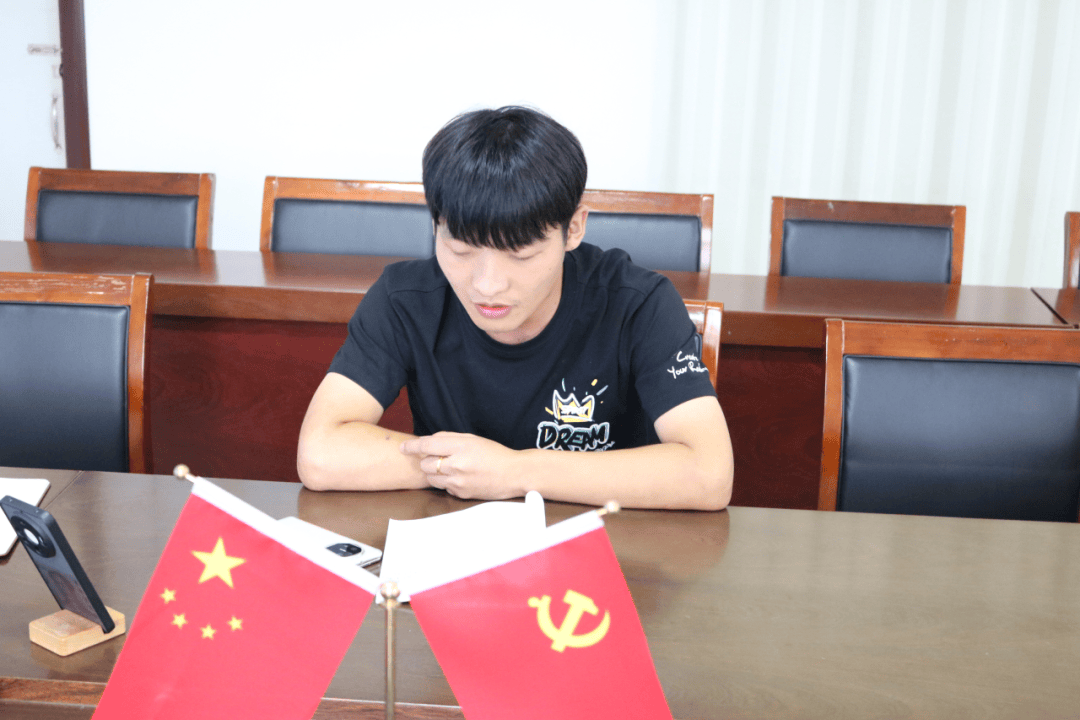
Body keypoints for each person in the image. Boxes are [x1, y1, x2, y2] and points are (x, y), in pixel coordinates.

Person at [297, 106, 733, 510]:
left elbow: (709, 473)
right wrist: (461, 468)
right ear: (435, 225)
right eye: (462, 249)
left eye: (520, 255)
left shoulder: (637, 304)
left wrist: (514, 471)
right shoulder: (405, 299)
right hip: (454, 539)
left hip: (602, 539)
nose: (487, 285)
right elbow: (320, 453)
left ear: (573, 228)